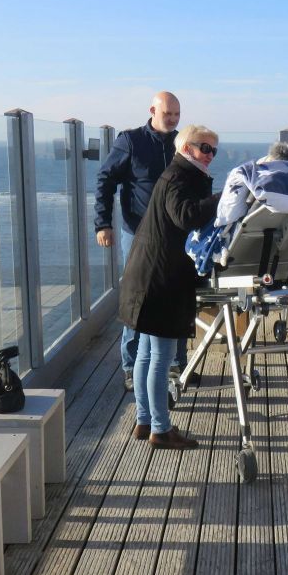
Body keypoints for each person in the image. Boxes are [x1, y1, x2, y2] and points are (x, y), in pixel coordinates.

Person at [118, 125, 222, 449]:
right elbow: (186, 216)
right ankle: (161, 430)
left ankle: (144, 421)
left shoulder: (175, 175)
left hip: (149, 275)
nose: (210, 155)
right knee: (159, 357)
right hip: (161, 281)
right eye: (205, 148)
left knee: (147, 354)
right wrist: (223, 199)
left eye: (213, 150)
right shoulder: (179, 177)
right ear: (187, 148)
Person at [94, 91, 187, 391]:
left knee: (176, 295)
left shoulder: (182, 143)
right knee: (138, 298)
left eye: (176, 115)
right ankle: (131, 366)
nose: (172, 120)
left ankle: (175, 362)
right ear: (152, 110)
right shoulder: (130, 141)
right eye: (167, 114)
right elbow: (105, 179)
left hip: (175, 234)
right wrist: (103, 223)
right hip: (138, 234)